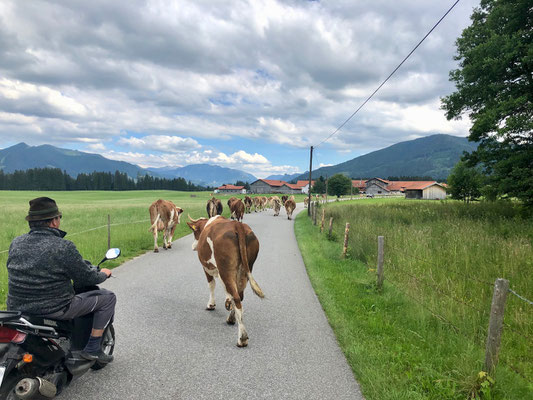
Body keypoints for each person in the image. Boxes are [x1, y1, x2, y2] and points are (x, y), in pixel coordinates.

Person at [6, 197, 116, 363]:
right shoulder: (63, 247)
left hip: (17, 307)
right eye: (59, 217)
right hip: (55, 308)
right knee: (108, 298)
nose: (59, 221)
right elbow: (86, 277)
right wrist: (104, 273)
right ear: (53, 222)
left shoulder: (17, 243)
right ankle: (93, 349)